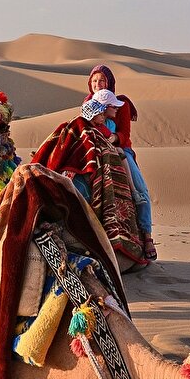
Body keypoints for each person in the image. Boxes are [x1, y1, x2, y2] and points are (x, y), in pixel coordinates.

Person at [31, 98, 149, 267]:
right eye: (100, 113)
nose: (103, 116)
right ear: (94, 115)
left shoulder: (100, 128)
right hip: (78, 174)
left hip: (84, 175)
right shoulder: (81, 128)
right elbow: (75, 148)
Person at [86, 66, 156, 260]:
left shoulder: (120, 105)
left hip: (121, 149)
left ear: (109, 83)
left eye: (101, 80)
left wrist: (113, 139)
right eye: (94, 81)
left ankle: (147, 235)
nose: (98, 84)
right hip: (94, 147)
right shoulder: (88, 103)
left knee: (140, 189)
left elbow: (125, 135)